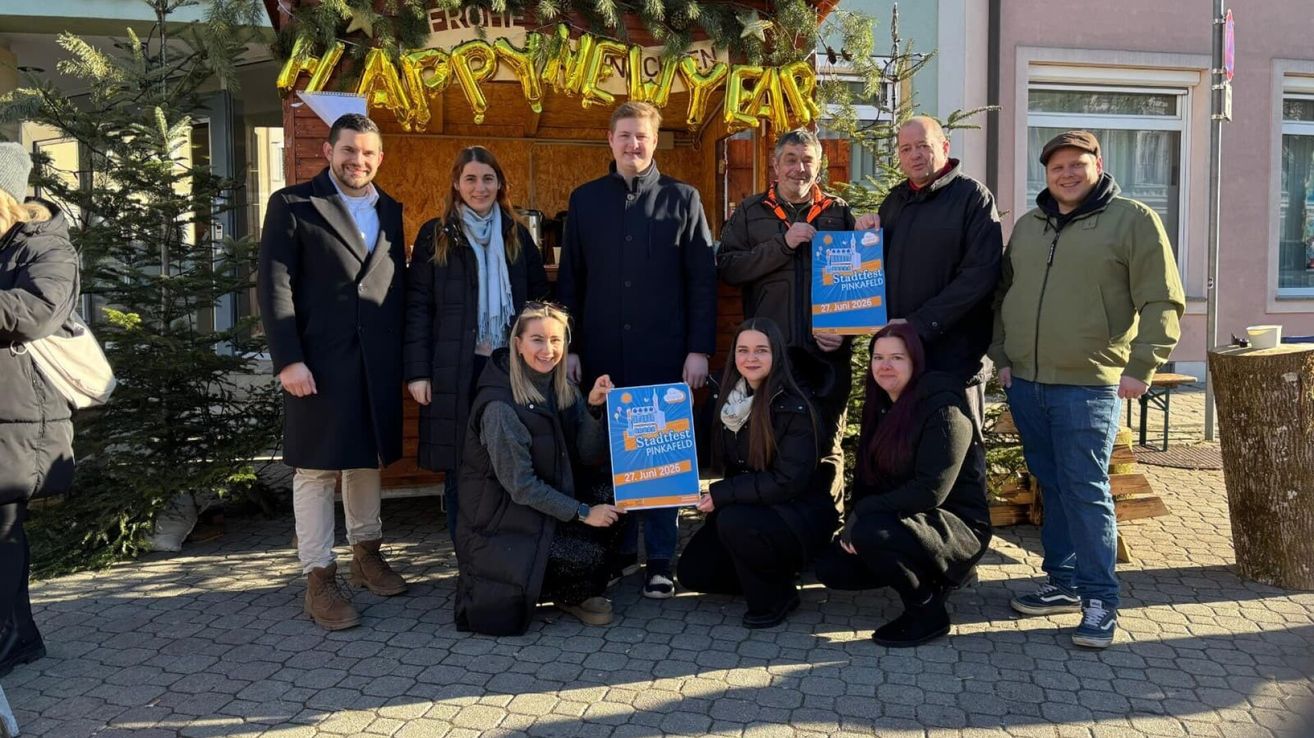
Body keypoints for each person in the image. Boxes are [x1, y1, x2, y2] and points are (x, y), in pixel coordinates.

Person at [990, 130, 1185, 649]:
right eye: (1057, 167)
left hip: (1090, 385)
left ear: (1097, 164)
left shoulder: (1133, 220)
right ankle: (1063, 581)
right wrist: (1003, 357)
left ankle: (1101, 600)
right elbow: (1003, 294)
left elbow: (1163, 300)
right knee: (1052, 485)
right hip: (1028, 383)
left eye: (1077, 165)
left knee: (1086, 489)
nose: (1067, 174)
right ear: (1047, 173)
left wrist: (1142, 365)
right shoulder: (1030, 227)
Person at [557, 101, 717, 599]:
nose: (633, 145)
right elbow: (571, 282)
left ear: (653, 141)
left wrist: (699, 350)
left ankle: (661, 561)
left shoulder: (684, 199)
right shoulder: (584, 201)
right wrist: (572, 348)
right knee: (608, 455)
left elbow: (702, 282)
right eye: (624, 136)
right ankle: (620, 553)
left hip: (663, 353)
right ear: (610, 140)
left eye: (642, 137)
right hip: (602, 352)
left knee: (661, 456)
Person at [258, 113, 409, 631]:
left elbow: (395, 288)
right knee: (317, 470)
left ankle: (366, 554)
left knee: (367, 461)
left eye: (367, 153)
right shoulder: (294, 204)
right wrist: (289, 359)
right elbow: (274, 286)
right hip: (317, 364)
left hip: (376, 363)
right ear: (328, 151)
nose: (357, 161)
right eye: (348, 150)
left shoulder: (391, 209)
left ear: (379, 158)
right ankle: (319, 576)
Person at [716, 128, 877, 509]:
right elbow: (728, 268)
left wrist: (845, 332)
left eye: (807, 161)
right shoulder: (751, 212)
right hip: (771, 358)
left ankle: (826, 523)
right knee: (766, 437)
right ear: (775, 165)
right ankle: (769, 525)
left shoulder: (839, 213)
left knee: (826, 442)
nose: (799, 169)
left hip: (825, 357)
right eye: (791, 159)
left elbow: (857, 282)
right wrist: (782, 245)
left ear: (818, 165)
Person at [403, 146, 549, 544]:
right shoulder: (436, 234)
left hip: (508, 370)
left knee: (514, 459)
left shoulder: (517, 235)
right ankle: (467, 558)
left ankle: (506, 552)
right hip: (455, 369)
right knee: (459, 468)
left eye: (487, 178)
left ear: (500, 184)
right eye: (470, 178)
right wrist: (417, 372)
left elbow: (540, 302)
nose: (479, 187)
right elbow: (418, 308)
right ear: (456, 183)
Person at [814, 323, 992, 647]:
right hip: (907, 516)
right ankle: (929, 577)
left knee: (871, 534)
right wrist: (854, 521)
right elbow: (868, 480)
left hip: (956, 524)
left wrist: (863, 517)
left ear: (915, 362)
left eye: (897, 357)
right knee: (832, 567)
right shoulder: (881, 405)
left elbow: (930, 491)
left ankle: (927, 610)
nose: (885, 365)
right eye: (878, 357)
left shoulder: (944, 409)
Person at [455, 302, 624, 635]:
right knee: (586, 554)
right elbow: (522, 487)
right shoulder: (500, 407)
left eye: (556, 340)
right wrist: (582, 512)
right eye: (537, 340)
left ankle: (570, 584)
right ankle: (564, 590)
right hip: (504, 527)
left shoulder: (561, 387)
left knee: (619, 498)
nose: (548, 350)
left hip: (540, 512)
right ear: (517, 343)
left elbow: (588, 455)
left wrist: (592, 408)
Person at [676, 318, 837, 628]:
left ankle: (777, 596)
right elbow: (696, 449)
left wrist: (722, 494)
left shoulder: (796, 406)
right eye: (743, 350)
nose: (751, 358)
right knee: (694, 573)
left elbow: (787, 481)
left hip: (796, 514)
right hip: (752, 508)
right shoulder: (726, 398)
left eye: (761, 350)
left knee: (733, 520)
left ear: (776, 355)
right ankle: (768, 572)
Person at [0, 143, 77, 676]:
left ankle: (12, 639)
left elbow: (38, 312)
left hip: (17, 412)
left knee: (2, 529)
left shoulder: (48, 249)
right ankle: (20, 635)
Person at [878, 116, 1002, 426]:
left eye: (923, 146)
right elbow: (871, 270)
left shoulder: (973, 198)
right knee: (904, 445)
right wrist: (864, 233)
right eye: (906, 149)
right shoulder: (894, 202)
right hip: (902, 353)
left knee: (960, 445)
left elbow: (980, 276)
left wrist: (919, 324)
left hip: (955, 355)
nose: (915, 155)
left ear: (944, 147)